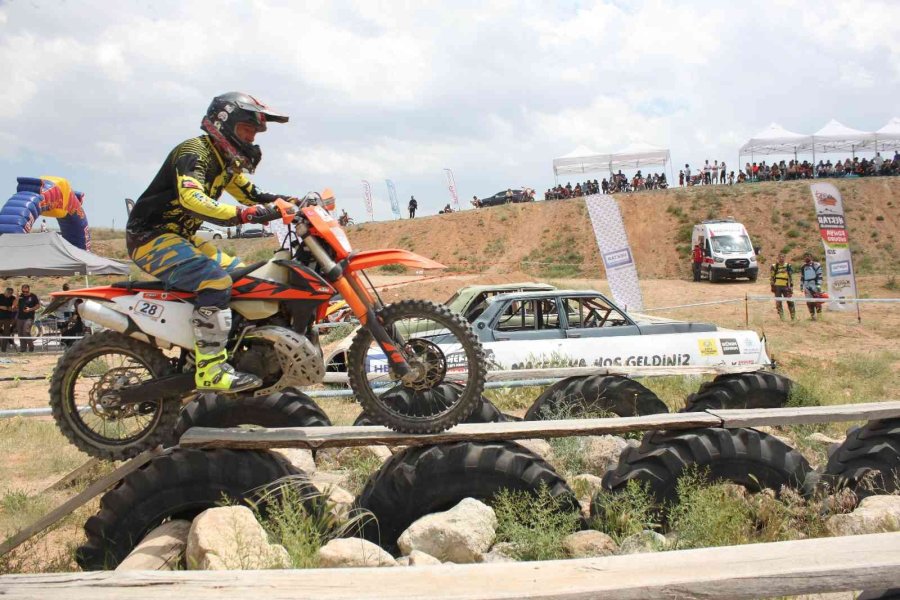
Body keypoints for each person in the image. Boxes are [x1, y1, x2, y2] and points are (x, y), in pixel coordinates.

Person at [126, 91, 295, 393]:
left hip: (182, 238)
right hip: (151, 238)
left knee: (248, 279)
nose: (252, 139)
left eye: (255, 133)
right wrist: (246, 215)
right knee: (216, 282)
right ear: (225, 124)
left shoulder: (225, 163)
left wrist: (295, 202)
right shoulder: (195, 152)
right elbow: (192, 199)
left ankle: (228, 349)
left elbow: (254, 195)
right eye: (247, 130)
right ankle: (210, 369)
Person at [770, 253, 796, 321]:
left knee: (790, 301)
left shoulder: (788, 266)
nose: (781, 258)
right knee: (778, 302)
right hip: (777, 286)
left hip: (786, 286)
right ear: (778, 258)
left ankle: (793, 317)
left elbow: (791, 277)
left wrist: (791, 286)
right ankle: (782, 318)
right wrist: (772, 286)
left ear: (785, 258)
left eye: (783, 257)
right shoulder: (774, 266)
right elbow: (772, 277)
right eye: (780, 257)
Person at [799, 252, 824, 320]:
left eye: (808, 256)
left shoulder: (816, 264)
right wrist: (801, 285)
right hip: (807, 285)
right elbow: (802, 277)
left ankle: (819, 316)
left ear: (811, 257)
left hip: (815, 284)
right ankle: (812, 316)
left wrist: (819, 284)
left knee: (817, 301)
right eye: (805, 256)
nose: (807, 257)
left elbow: (820, 275)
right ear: (803, 258)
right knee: (809, 302)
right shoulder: (803, 267)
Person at [16, 284, 40, 352]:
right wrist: (17, 298)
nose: (25, 293)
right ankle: (23, 349)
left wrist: (30, 309)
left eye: (26, 292)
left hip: (29, 317)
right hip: (20, 317)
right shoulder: (20, 296)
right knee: (20, 333)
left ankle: (31, 346)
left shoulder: (33, 296)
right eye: (23, 292)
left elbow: (38, 306)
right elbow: (14, 305)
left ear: (29, 290)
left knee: (25, 332)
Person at [0, 287, 15, 352]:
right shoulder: (0, 296)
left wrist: (9, 308)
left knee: (6, 333)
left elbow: (15, 307)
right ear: (5, 291)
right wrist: (1, 307)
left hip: (7, 318)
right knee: (5, 333)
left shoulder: (13, 298)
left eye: (11, 293)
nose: (9, 294)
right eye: (8, 292)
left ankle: (3, 349)